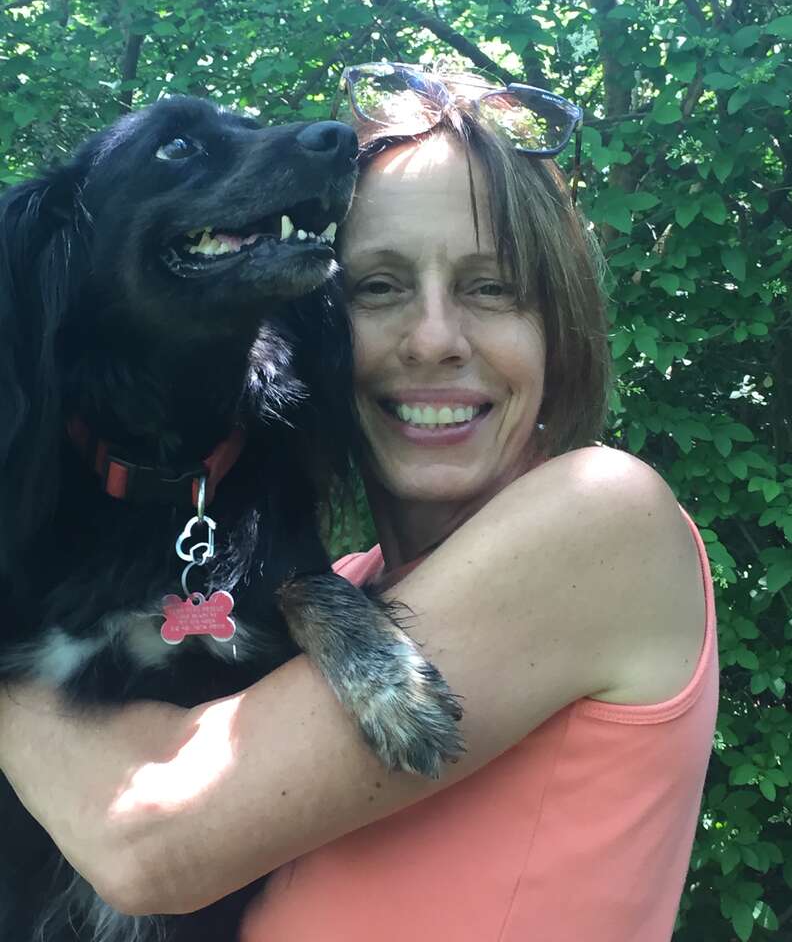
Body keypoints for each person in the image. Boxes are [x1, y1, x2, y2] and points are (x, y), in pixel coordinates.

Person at [0, 64, 718, 942]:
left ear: (558, 323)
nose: (433, 341)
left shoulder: (604, 515)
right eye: (377, 287)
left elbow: (150, 846)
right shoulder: (336, 577)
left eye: (490, 288)